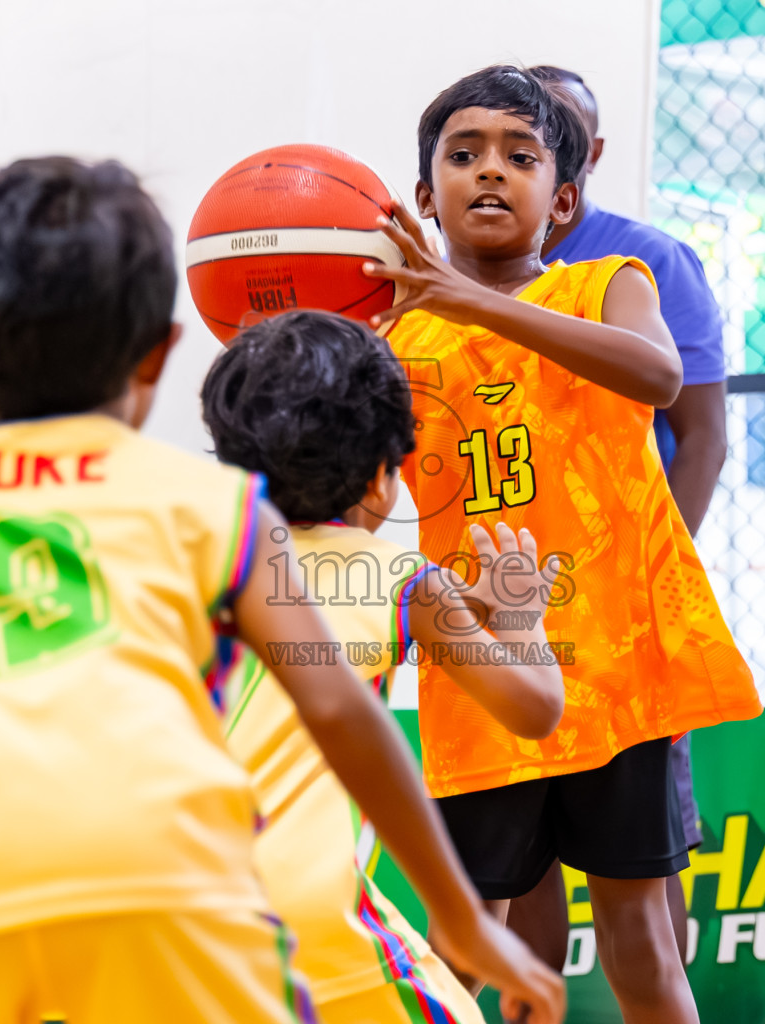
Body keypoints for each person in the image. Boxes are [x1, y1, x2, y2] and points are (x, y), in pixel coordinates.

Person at [0, 157, 564, 1024]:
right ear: (160, 356)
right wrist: (460, 915)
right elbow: (340, 709)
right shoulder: (213, 511)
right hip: (162, 878)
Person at [362, 66, 762, 1024]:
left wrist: (473, 302)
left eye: (520, 157)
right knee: (471, 940)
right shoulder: (396, 342)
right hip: (485, 672)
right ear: (425, 198)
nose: (489, 173)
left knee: (640, 938)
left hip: (617, 671)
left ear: (565, 197)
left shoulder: (608, 285)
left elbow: (661, 375)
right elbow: (363, 500)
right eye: (463, 156)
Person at [201, 309, 567, 1024]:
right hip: (310, 912)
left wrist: (464, 608)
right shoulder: (402, 577)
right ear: (379, 480)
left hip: (178, 899)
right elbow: (534, 707)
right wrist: (522, 621)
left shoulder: (200, 561)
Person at [500, 64, 732, 973]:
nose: (506, 159)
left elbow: (701, 437)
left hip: (621, 610)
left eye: (544, 132)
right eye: (481, 142)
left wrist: (652, 587)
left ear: (584, 154)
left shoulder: (641, 265)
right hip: (511, 599)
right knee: (522, 863)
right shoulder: (453, 281)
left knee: (640, 865)